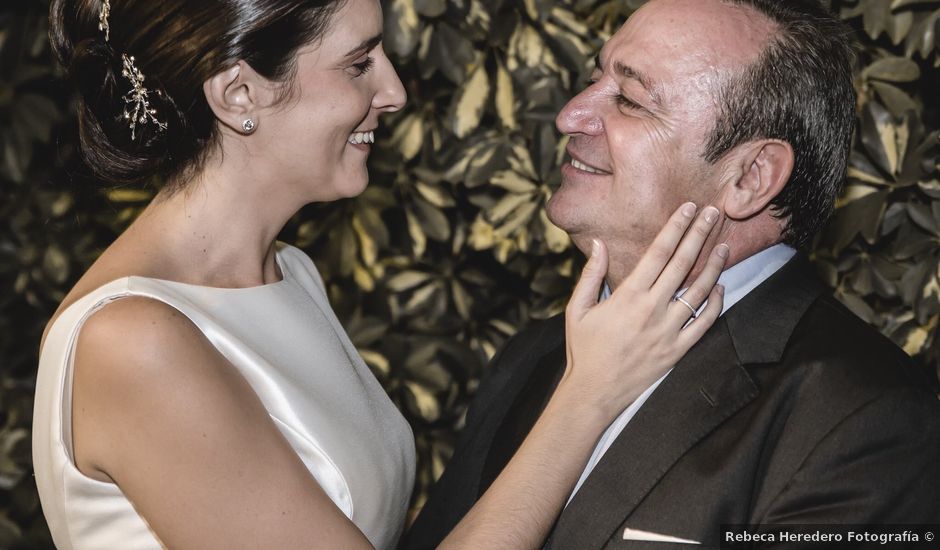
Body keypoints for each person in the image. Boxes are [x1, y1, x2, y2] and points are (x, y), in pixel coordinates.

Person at [33, 0, 730, 548]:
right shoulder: (131, 341)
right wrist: (590, 394)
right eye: (358, 64)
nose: (393, 90)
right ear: (239, 94)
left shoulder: (288, 273)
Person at [403, 0, 940, 548]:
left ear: (751, 177)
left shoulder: (868, 417)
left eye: (631, 100)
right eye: (594, 78)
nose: (571, 115)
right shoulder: (532, 358)